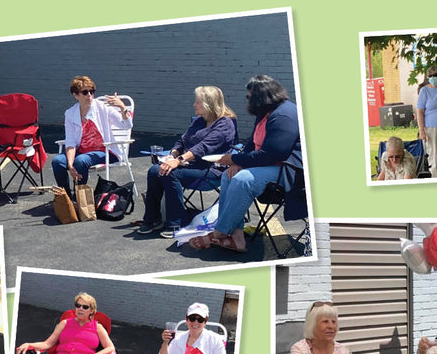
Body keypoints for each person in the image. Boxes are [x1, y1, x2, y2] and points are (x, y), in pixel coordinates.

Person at [189, 75, 304, 253]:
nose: (247, 99)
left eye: (249, 96)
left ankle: (220, 232)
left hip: (288, 169)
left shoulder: (283, 115)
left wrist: (235, 159)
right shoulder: (266, 111)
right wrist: (237, 162)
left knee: (243, 180)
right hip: (269, 163)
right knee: (230, 175)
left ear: (261, 97)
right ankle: (237, 238)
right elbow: (252, 142)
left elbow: (271, 154)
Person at [137, 86, 237, 238]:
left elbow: (203, 147)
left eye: (197, 102)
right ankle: (152, 218)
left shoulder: (225, 124)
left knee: (171, 174)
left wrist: (179, 160)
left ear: (208, 104)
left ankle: (177, 222)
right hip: (191, 165)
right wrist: (172, 155)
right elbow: (182, 141)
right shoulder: (199, 121)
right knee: (154, 171)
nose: (194, 105)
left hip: (212, 170)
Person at [52, 76, 132, 193]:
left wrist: (122, 107)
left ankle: (80, 196)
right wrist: (70, 164)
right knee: (57, 161)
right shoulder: (70, 114)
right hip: (82, 151)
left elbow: (126, 125)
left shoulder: (103, 108)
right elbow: (70, 141)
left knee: (80, 160)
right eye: (85, 92)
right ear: (76, 95)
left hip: (106, 151)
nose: (89, 95)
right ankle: (66, 197)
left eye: (92, 91)